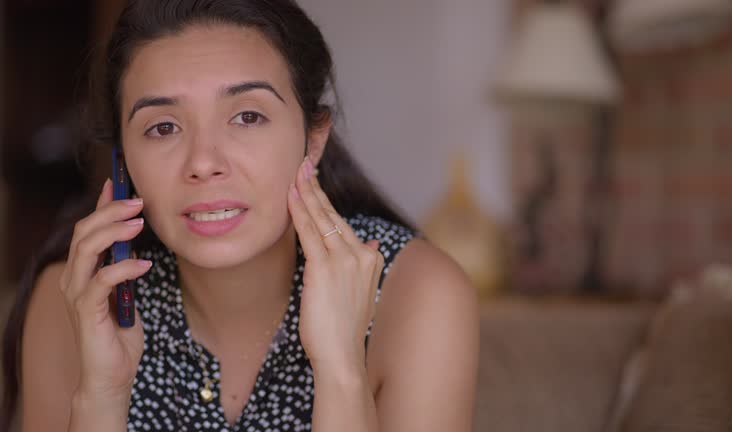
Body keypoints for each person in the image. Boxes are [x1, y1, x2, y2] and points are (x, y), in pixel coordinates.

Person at [0, 1, 480, 431]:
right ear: (125, 161)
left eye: (247, 116)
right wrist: (101, 396)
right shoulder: (79, 302)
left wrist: (340, 372)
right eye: (163, 127)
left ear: (312, 140)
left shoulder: (415, 295)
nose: (204, 162)